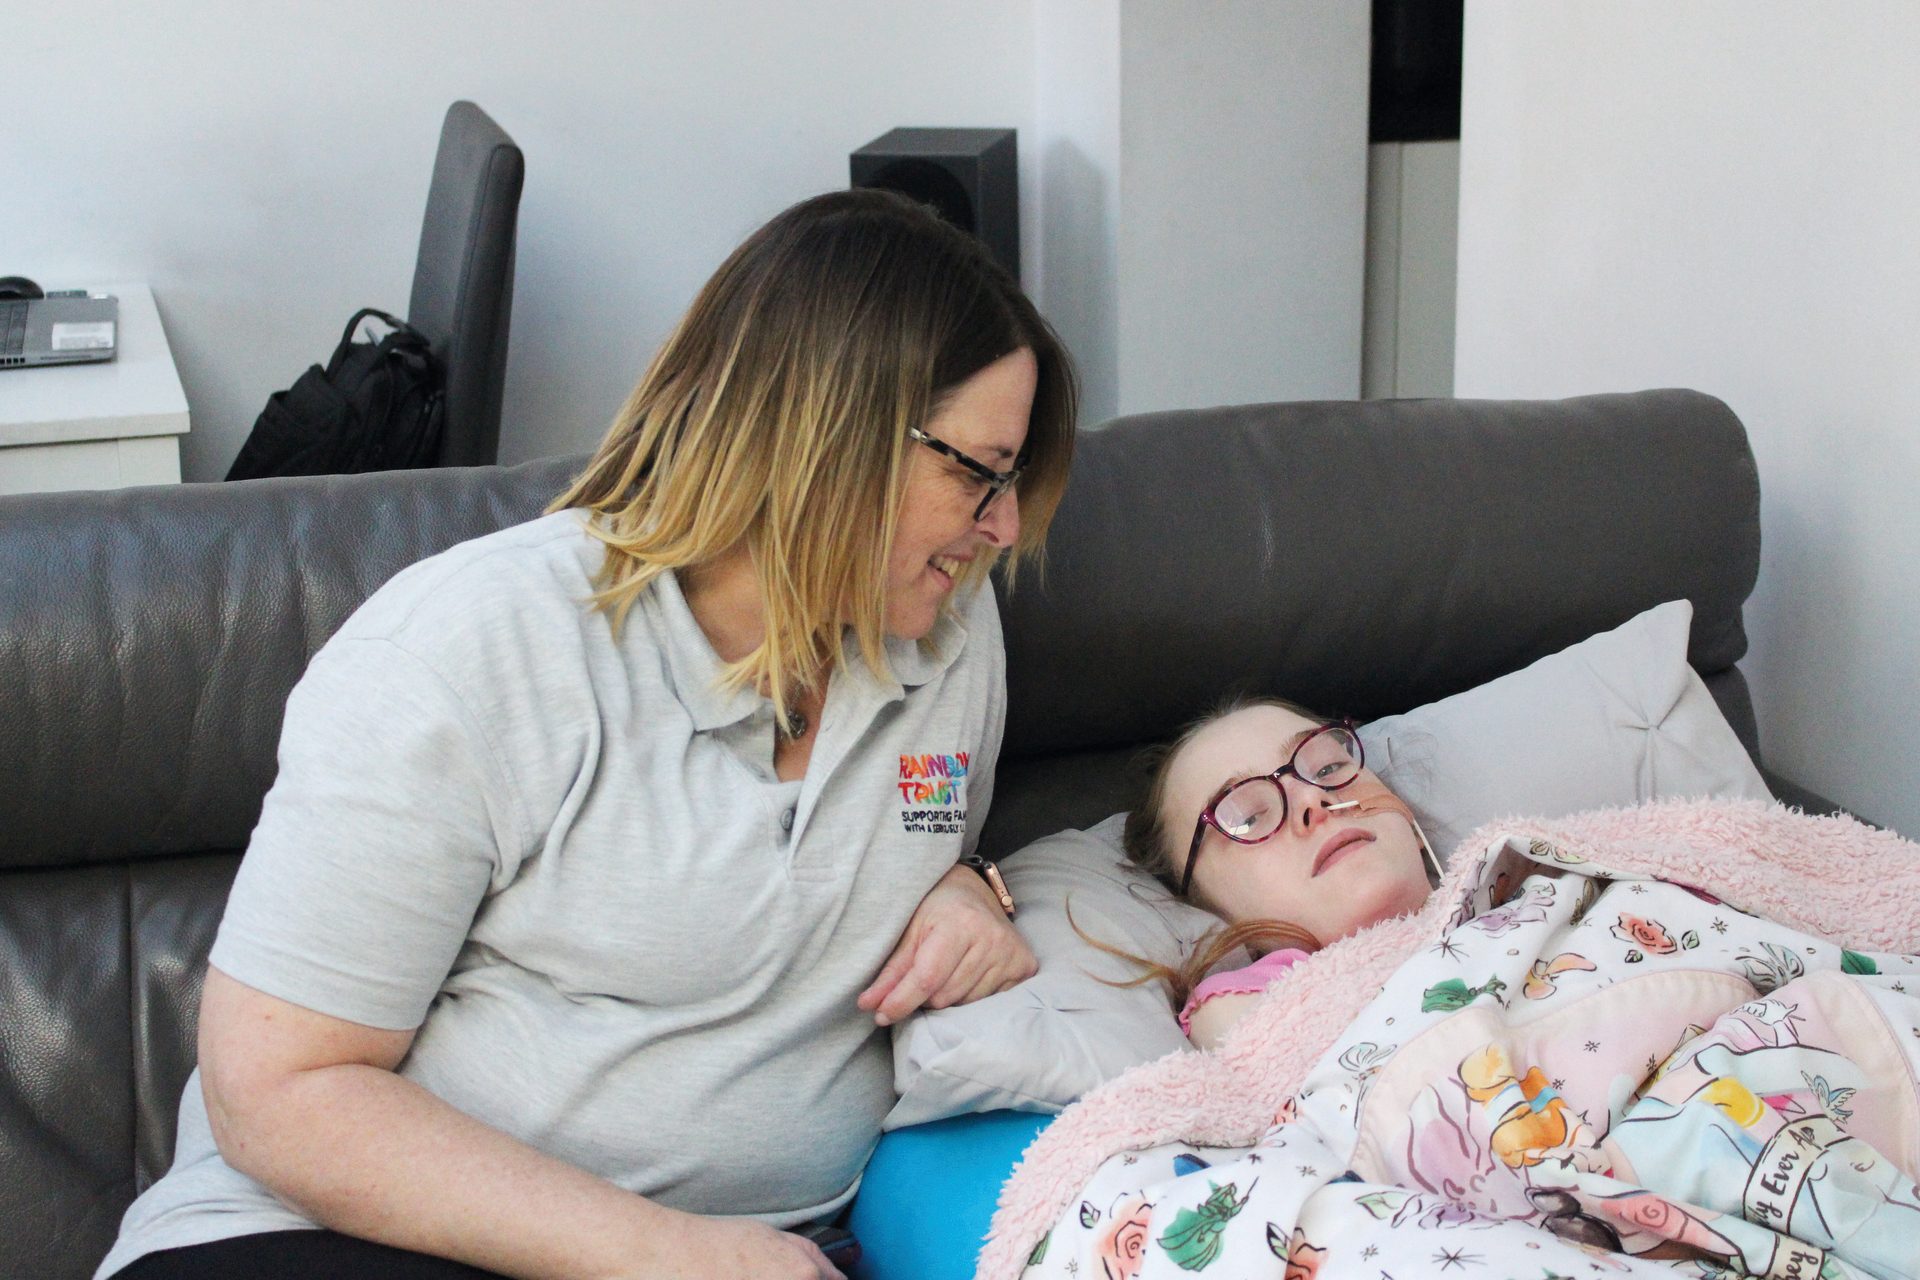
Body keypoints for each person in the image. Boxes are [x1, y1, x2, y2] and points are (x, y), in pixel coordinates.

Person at [96, 189, 1078, 1280]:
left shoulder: (947, 633)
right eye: (975, 471)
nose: (1001, 525)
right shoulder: (470, 650)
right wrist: (678, 1257)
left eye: (1011, 480)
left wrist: (973, 886)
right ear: (823, 432)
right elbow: (278, 1091)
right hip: (336, 1234)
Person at [1114, 697, 1441, 1050]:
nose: (1313, 799)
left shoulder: (1489, 873)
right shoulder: (1251, 1009)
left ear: (1405, 815)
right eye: (1248, 819)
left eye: (1328, 768)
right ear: (1208, 913)